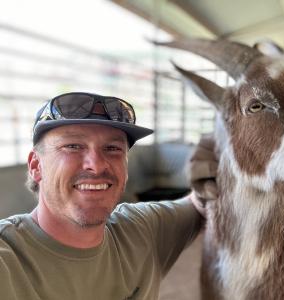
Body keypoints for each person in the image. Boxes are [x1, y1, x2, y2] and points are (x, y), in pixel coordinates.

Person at [0, 92, 217, 300]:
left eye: (112, 148)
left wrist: (217, 165)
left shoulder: (143, 230)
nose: (96, 164)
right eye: (73, 146)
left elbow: (199, 203)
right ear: (36, 165)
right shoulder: (10, 260)